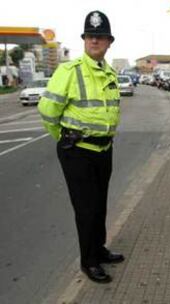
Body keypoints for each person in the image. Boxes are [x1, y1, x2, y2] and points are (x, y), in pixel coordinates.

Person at [38, 10, 124, 283]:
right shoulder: (69, 71)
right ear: (84, 40)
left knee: (99, 205)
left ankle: (98, 250)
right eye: (90, 36)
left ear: (109, 42)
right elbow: (48, 110)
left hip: (103, 150)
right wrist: (64, 138)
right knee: (86, 209)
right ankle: (88, 262)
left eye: (100, 36)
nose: (94, 40)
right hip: (77, 151)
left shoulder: (110, 73)